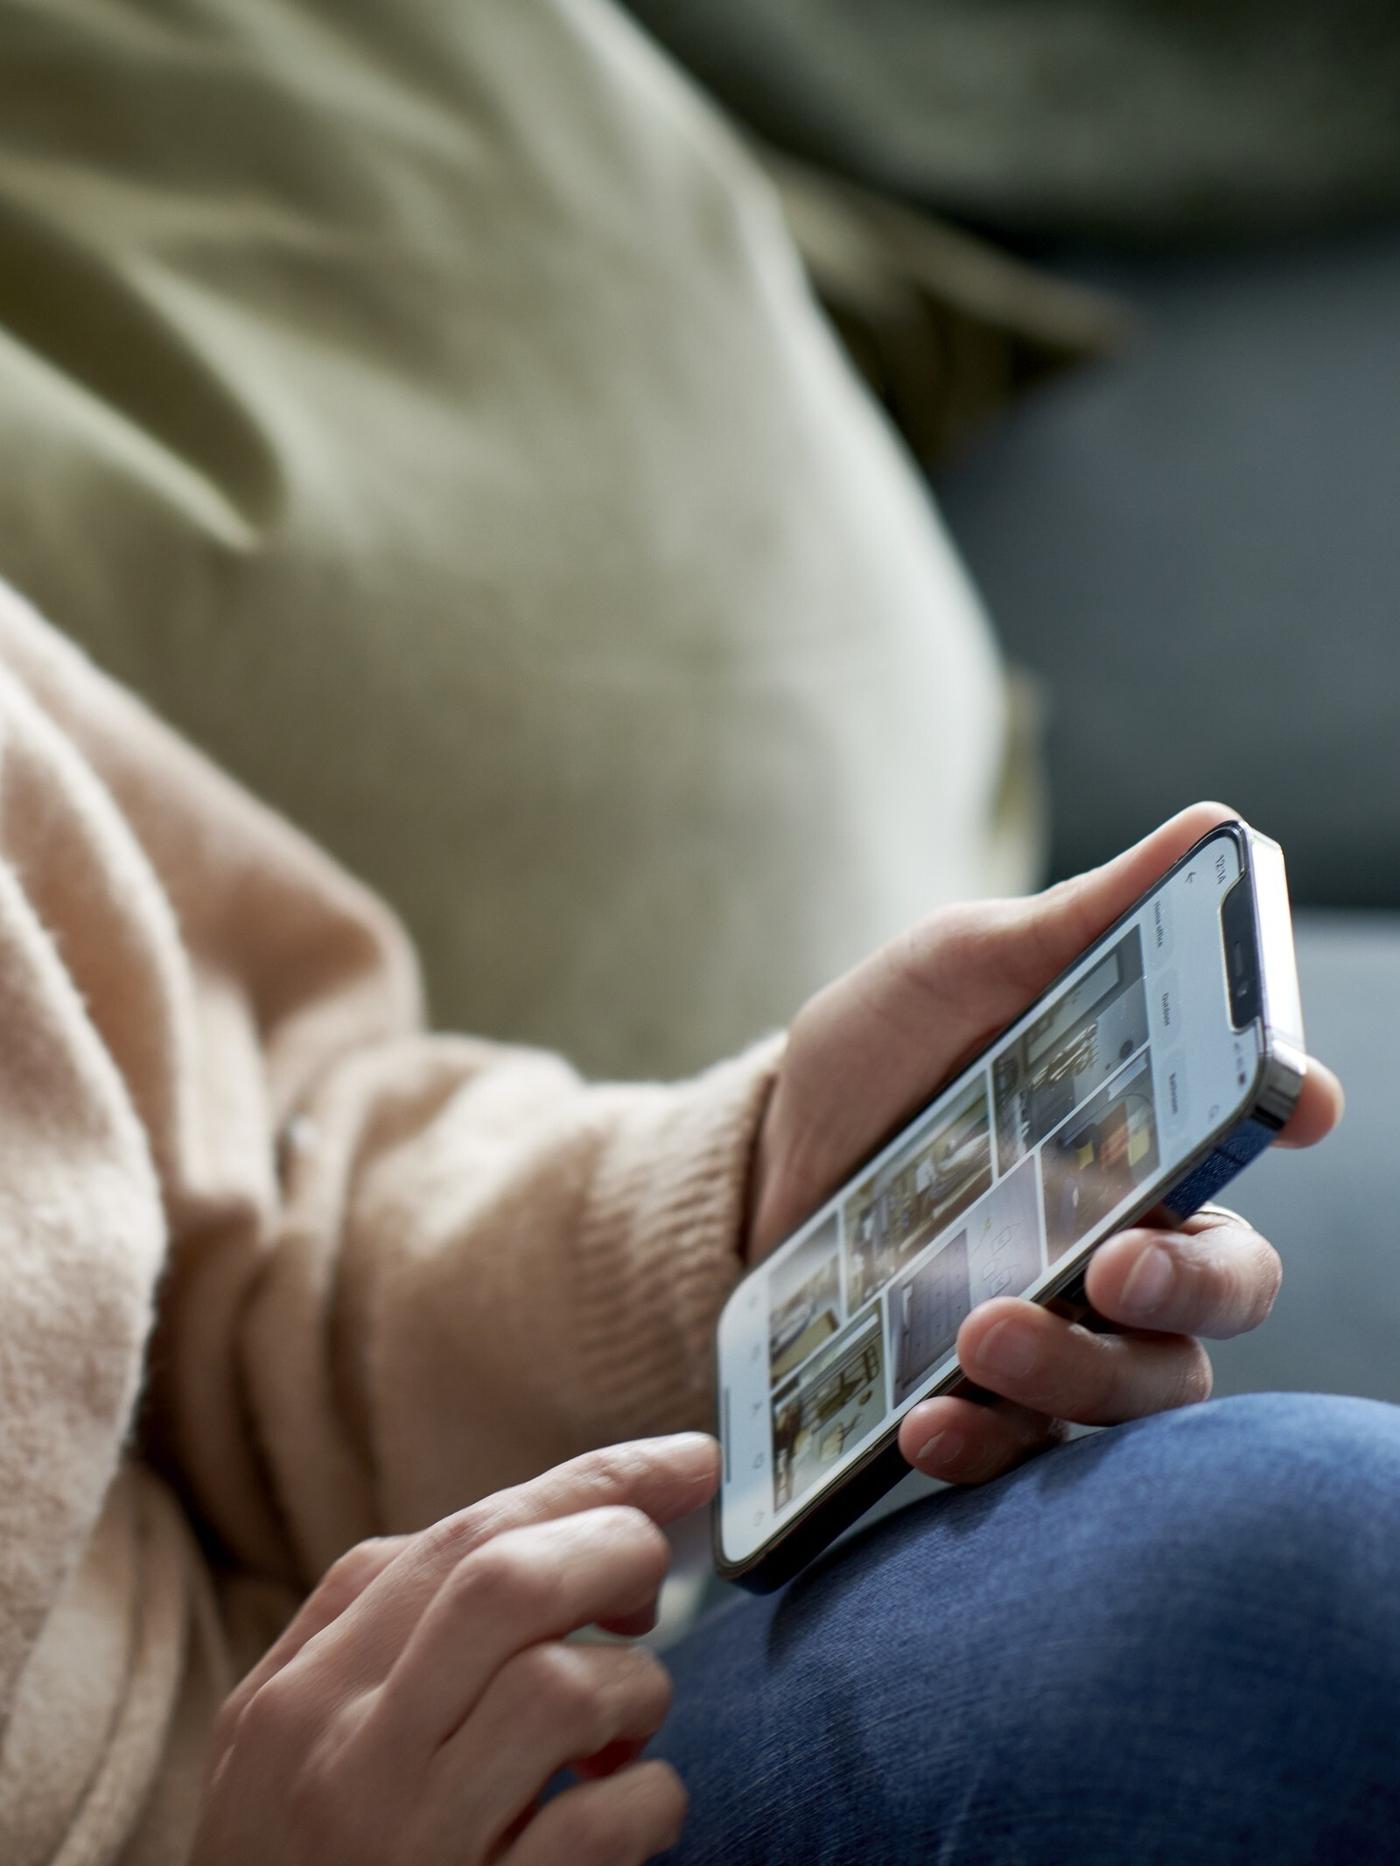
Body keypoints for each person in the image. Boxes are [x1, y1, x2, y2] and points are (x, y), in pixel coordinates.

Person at [1, 577, 1376, 1866]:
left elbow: (272, 1174)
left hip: (441, 1699)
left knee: (1325, 1560)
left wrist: (748, 1198)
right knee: (1306, 1605)